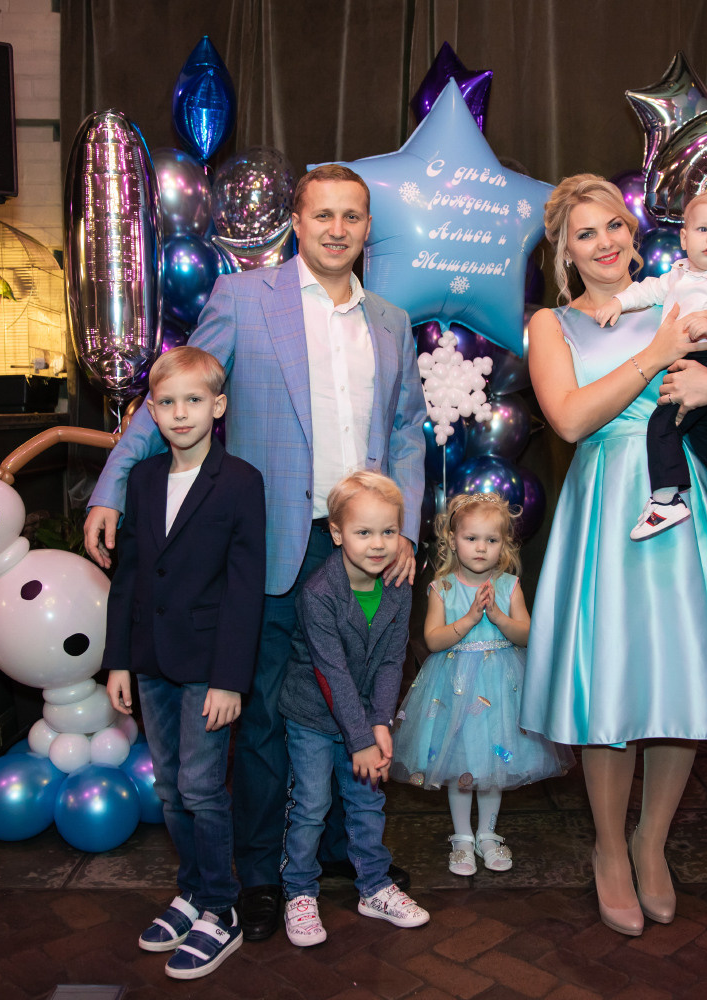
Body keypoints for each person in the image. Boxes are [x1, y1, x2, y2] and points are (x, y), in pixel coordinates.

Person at [84, 164, 426, 942]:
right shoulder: (243, 298)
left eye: (352, 216)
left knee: (354, 700)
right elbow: (174, 394)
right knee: (268, 712)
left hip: (362, 550)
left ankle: (339, 853)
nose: (337, 229)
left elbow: (407, 428)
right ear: (296, 223)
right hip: (271, 543)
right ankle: (264, 874)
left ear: (367, 228)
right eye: (322, 214)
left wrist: (403, 525)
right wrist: (111, 488)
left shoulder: (391, 320)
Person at [520, 174, 707, 937]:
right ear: (565, 253)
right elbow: (571, 420)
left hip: (691, 503)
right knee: (614, 684)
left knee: (682, 681)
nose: (605, 242)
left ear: (633, 233)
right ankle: (609, 849)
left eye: (614, 226)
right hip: (612, 508)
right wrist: (660, 353)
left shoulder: (688, 294)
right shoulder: (554, 324)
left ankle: (652, 842)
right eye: (585, 234)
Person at [103, 346, 265, 980]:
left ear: (217, 406)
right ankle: (193, 890)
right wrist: (119, 660)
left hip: (207, 665)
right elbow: (129, 576)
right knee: (169, 787)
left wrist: (230, 679)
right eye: (166, 402)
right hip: (149, 659)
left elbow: (245, 588)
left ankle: (222, 907)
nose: (179, 413)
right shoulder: (143, 480)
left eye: (193, 400)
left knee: (201, 786)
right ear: (151, 410)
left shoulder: (241, 481)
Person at [276, 470, 429, 946]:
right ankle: (299, 892)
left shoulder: (399, 586)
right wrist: (362, 738)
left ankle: (374, 886)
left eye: (389, 531)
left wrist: (380, 722)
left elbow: (391, 660)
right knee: (312, 804)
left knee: (368, 800)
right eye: (364, 532)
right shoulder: (319, 593)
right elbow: (331, 672)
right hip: (314, 716)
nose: (378, 544)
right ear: (338, 533)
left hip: (363, 713)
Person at [391, 492, 571, 876]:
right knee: (459, 763)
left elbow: (527, 634)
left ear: (504, 545)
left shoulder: (509, 585)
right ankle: (461, 838)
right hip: (454, 689)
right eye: (471, 538)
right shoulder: (443, 588)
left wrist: (499, 617)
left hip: (501, 690)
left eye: (491, 540)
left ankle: (487, 834)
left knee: (493, 766)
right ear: (453, 539)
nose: (481, 547)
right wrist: (471, 618)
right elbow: (433, 639)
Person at [593, 191, 707, 555]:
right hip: (687, 363)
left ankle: (665, 500)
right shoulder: (678, 274)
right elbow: (646, 290)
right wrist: (617, 301)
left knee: (663, 423)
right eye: (703, 229)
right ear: (685, 237)